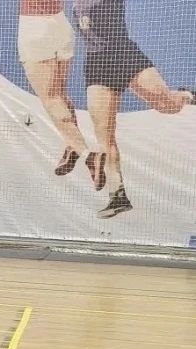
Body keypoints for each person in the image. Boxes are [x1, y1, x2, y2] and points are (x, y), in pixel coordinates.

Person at [73, 0, 195, 218]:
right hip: (96, 64)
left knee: (167, 106)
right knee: (104, 136)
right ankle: (118, 195)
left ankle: (187, 96)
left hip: (125, 55)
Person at [17, 0, 94, 180]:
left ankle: (87, 155)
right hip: (60, 26)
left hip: (35, 28)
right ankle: (71, 146)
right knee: (59, 95)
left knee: (51, 99)